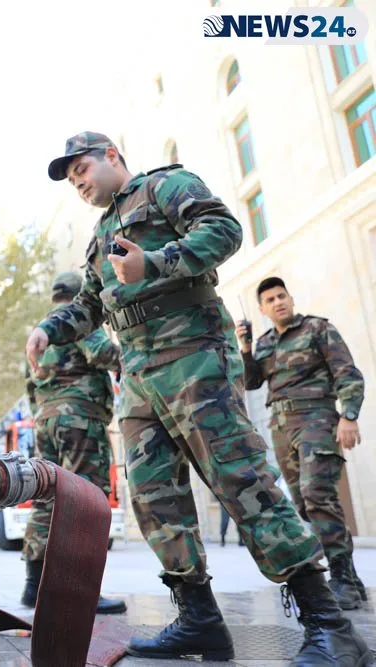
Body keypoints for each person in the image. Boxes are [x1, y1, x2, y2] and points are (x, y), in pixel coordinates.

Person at [25, 131, 370, 664]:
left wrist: (156, 262)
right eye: (72, 181)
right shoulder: (99, 238)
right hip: (139, 376)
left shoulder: (165, 186)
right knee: (152, 495)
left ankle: (329, 623)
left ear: (112, 155)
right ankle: (199, 620)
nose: (79, 184)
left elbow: (224, 230)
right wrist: (48, 328)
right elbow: (90, 306)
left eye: (82, 171)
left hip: (195, 356)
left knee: (241, 478)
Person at [240, 276, 366, 610]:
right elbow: (251, 382)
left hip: (317, 420)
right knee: (302, 505)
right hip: (282, 428)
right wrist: (246, 350)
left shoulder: (317, 329)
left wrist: (349, 416)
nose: (278, 302)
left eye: (282, 296)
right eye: (270, 300)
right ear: (262, 309)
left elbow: (346, 372)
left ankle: (341, 578)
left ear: (291, 298)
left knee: (317, 496)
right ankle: (351, 578)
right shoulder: (264, 343)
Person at [21, 270, 125, 614]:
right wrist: (134, 355)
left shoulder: (39, 331)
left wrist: (45, 417)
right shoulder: (79, 321)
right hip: (80, 420)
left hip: (46, 422)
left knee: (46, 499)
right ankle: (82, 590)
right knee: (87, 500)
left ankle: (33, 585)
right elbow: (102, 354)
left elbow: (30, 385)